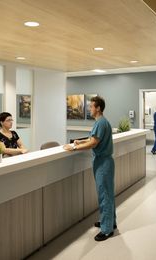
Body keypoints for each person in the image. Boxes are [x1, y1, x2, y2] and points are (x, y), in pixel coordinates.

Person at [63, 96, 116, 241]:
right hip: (104, 161)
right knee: (108, 193)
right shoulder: (102, 122)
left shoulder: (100, 123)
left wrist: (74, 147)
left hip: (103, 163)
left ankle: (106, 230)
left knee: (104, 194)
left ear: (98, 108)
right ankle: (110, 222)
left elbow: (93, 143)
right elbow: (92, 139)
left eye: (91, 106)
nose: (89, 109)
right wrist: (79, 141)